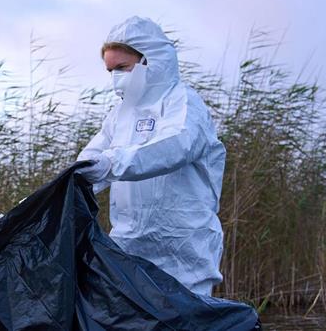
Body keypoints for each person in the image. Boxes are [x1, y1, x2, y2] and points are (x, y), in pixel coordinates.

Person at [75, 16, 226, 296]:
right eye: (110, 71)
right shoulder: (119, 116)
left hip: (184, 255)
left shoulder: (183, 103)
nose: (116, 78)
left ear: (149, 60)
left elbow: (176, 146)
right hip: (129, 250)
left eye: (122, 68)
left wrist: (112, 163)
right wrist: (51, 194)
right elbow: (88, 165)